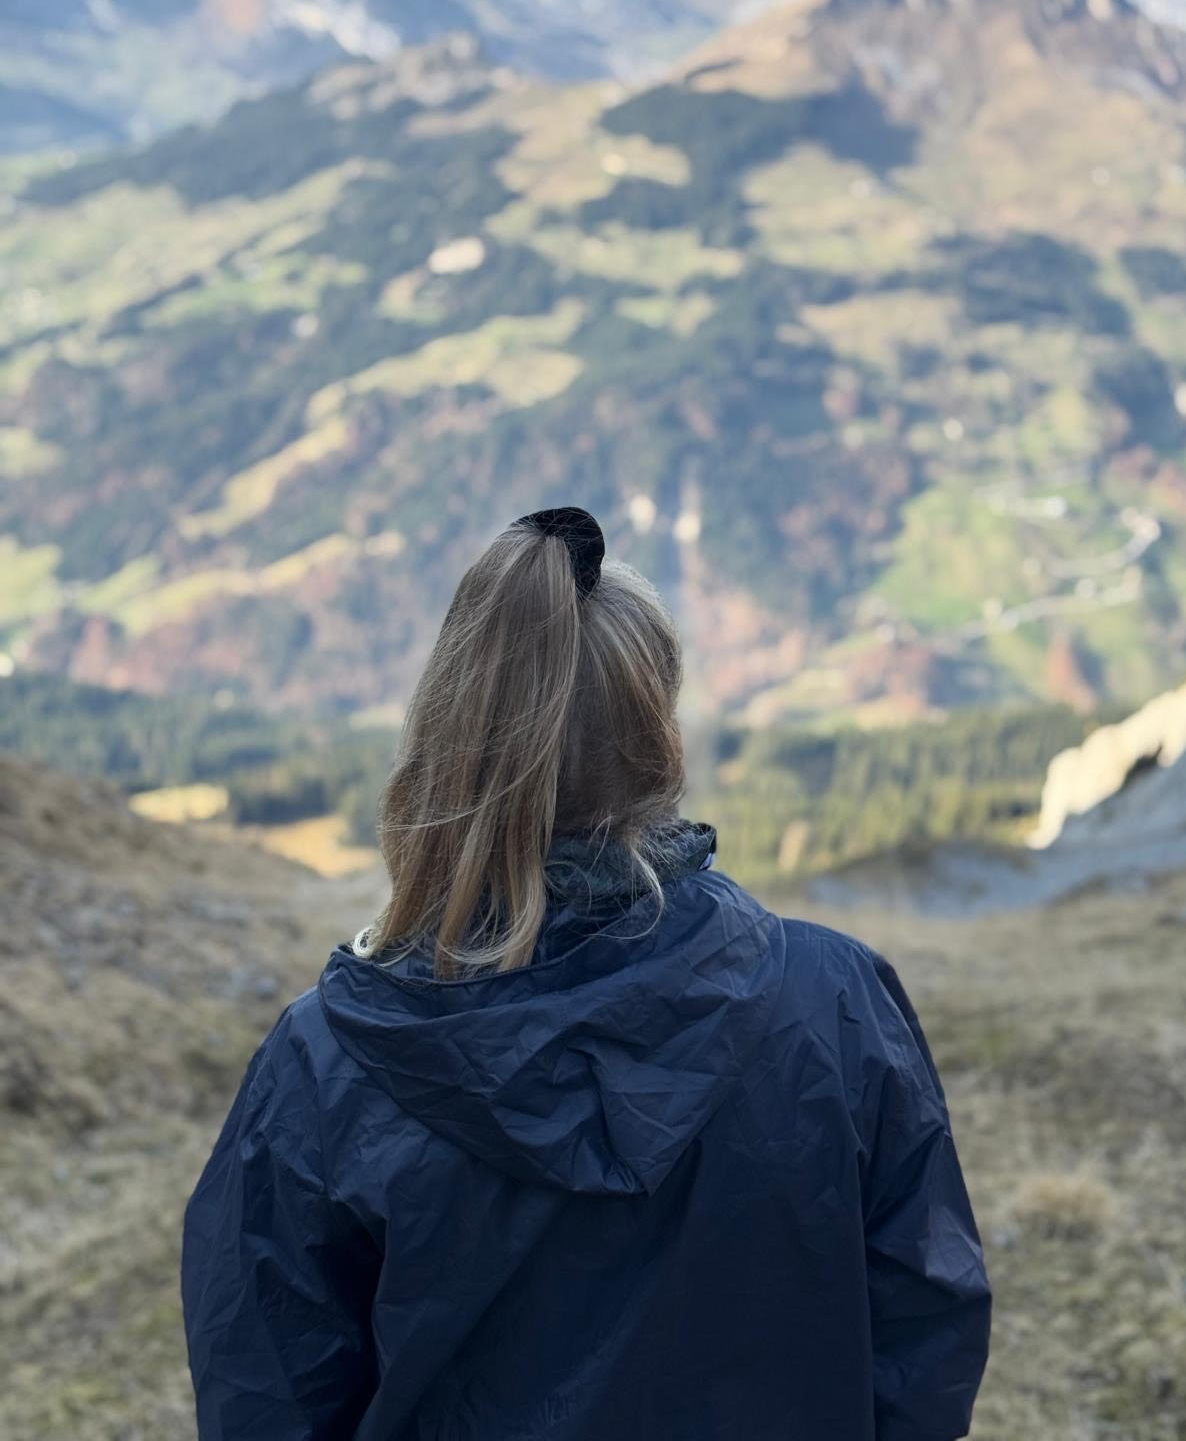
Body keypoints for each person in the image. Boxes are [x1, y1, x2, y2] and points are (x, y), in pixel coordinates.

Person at [180, 505, 991, 1441]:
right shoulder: (837, 1000)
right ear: (659, 735)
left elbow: (265, 1401)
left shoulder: (326, 1065)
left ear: (448, 736)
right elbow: (925, 1343)